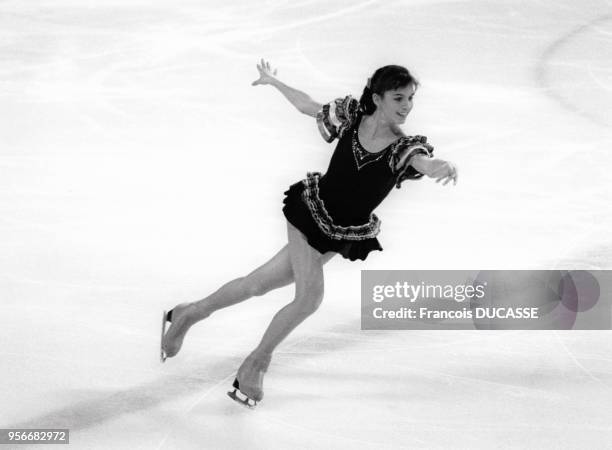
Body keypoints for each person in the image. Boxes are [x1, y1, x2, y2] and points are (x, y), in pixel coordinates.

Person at [160, 58, 458, 408]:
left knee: (256, 285)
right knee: (309, 298)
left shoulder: (402, 148)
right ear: (377, 98)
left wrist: (442, 165)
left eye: (410, 99)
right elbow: (308, 106)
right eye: (398, 98)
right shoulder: (350, 116)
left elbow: (424, 162)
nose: (407, 107)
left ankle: (189, 313)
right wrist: (273, 81)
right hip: (309, 213)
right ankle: (256, 364)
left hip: (338, 231)